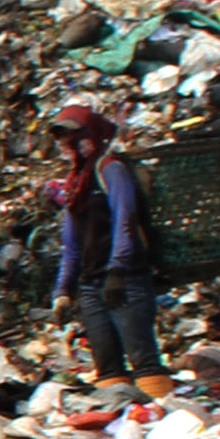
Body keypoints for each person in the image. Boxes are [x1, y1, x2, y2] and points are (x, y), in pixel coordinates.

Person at [44, 103, 169, 397]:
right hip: (90, 285)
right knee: (108, 366)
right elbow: (71, 245)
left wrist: (118, 269)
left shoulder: (110, 169)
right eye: (63, 139)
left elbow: (125, 220)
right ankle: (123, 425)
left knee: (144, 360)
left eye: (74, 137)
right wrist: (62, 292)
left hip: (126, 280)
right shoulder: (76, 184)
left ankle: (161, 416)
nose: (67, 145)